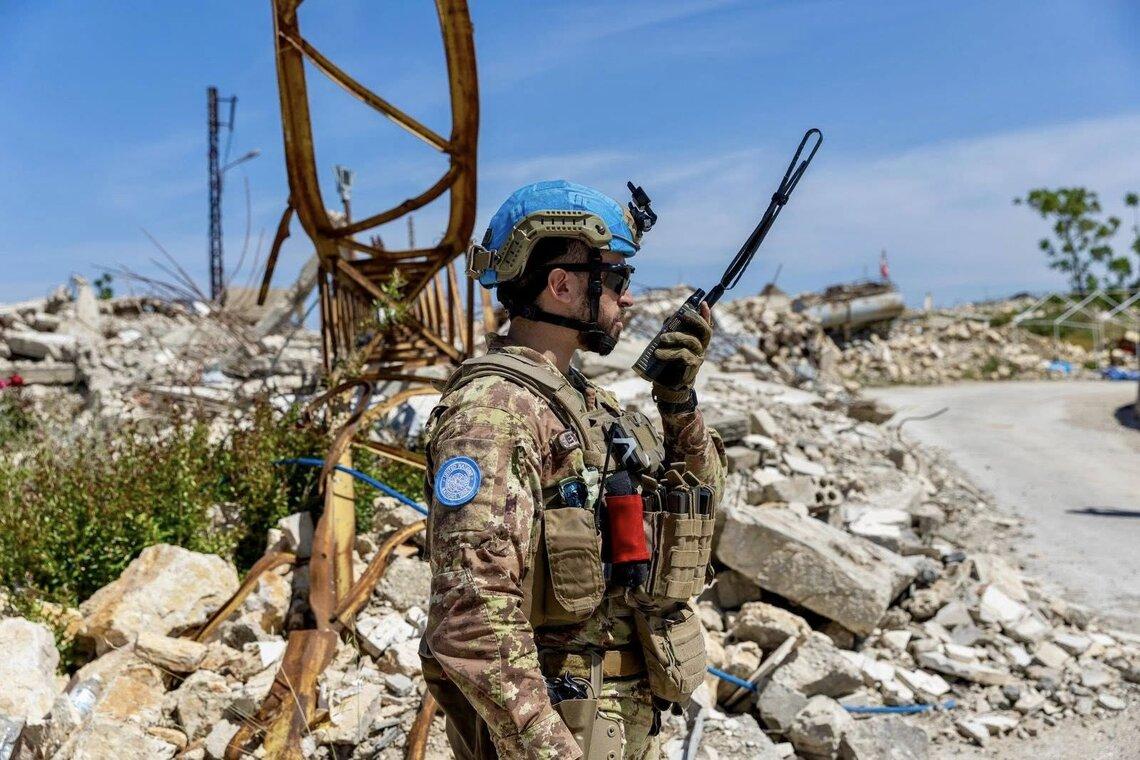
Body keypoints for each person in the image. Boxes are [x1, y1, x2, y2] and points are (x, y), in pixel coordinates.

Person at [419, 180, 726, 759]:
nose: (628, 300)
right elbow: (471, 615)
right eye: (618, 279)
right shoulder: (492, 414)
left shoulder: (588, 407)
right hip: (559, 736)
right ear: (562, 285)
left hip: (617, 725)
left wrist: (678, 403)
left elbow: (699, 514)